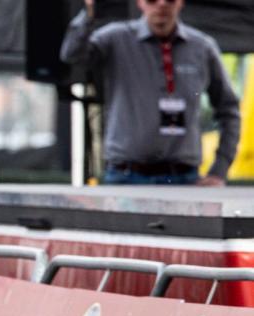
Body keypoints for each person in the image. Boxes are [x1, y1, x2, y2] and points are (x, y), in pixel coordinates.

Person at [60, 0, 240, 186]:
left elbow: (229, 110)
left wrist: (219, 169)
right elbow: (72, 55)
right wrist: (88, 14)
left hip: (183, 177)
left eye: (169, 0)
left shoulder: (202, 47)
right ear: (140, 2)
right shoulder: (115, 38)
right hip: (126, 175)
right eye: (152, 0)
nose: (161, 5)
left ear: (180, 3)